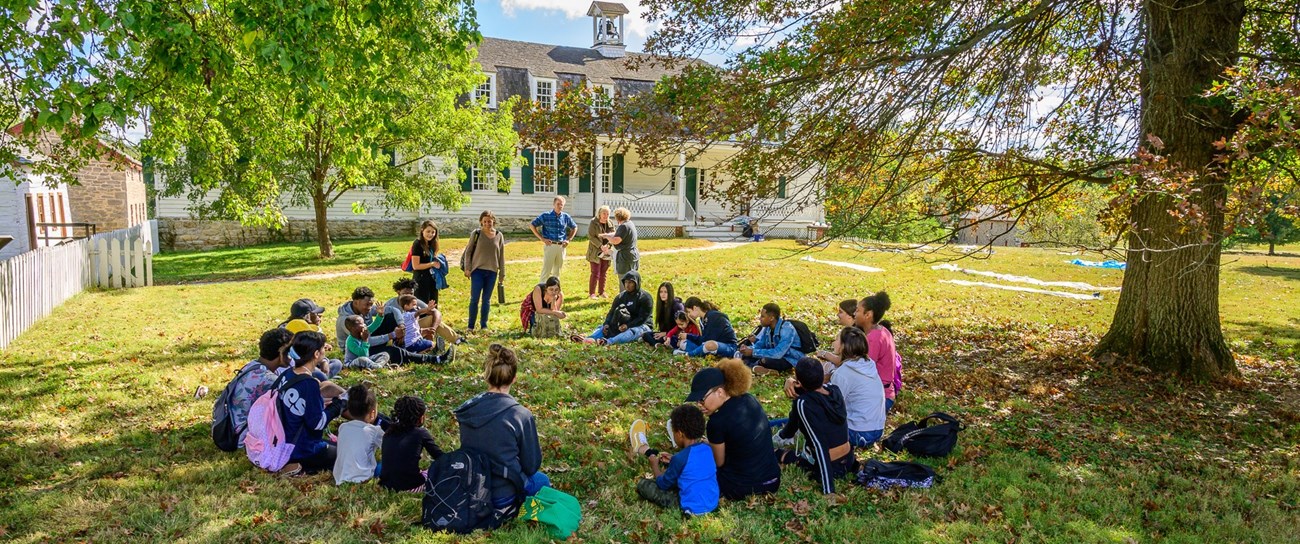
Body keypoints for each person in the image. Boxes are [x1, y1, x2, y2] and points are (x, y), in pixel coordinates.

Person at [454, 344, 549, 525]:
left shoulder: (468, 409)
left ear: (486, 376)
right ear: (514, 378)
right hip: (502, 494)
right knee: (541, 480)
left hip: (471, 489)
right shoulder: (520, 415)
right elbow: (531, 465)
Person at [684, 359, 781, 500]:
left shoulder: (716, 422)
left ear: (720, 392)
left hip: (741, 486)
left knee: (693, 471)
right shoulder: (749, 399)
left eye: (702, 399)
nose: (699, 404)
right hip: (772, 479)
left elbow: (719, 463)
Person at [773, 357, 855, 495]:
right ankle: (783, 436)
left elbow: (819, 445)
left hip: (830, 466)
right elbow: (812, 393)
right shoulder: (835, 391)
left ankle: (781, 440)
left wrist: (829, 490)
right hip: (848, 460)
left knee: (777, 454)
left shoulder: (803, 404)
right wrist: (790, 382)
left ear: (799, 382)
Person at [273, 331, 344, 476]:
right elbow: (317, 423)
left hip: (283, 441)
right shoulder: (309, 383)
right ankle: (297, 465)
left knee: (340, 446)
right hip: (302, 448)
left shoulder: (287, 374)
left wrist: (320, 405)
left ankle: (291, 462)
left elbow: (296, 408)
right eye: (323, 347)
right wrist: (339, 405)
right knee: (347, 454)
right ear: (317, 354)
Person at [628, 404, 719, 516]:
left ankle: (644, 449)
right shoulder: (708, 449)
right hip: (712, 503)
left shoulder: (680, 458)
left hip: (693, 509)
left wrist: (654, 466)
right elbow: (694, 466)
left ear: (680, 434)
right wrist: (673, 460)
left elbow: (662, 484)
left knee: (644, 485)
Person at [219, 328, 292, 448]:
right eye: (291, 350)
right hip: (242, 438)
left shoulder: (253, 365)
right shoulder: (267, 379)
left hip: (231, 428)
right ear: (281, 351)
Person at [337, 286, 440, 365]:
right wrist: (391, 335)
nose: (369, 308)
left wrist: (401, 325)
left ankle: (409, 347)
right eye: (367, 305)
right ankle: (433, 359)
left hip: (368, 338)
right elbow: (366, 341)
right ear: (356, 302)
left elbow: (393, 310)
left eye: (371, 304)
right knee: (393, 351)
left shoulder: (363, 309)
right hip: (359, 350)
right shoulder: (346, 320)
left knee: (390, 317)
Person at [379, 396, 446, 492]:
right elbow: (440, 457)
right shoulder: (421, 433)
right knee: (436, 470)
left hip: (386, 484)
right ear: (420, 417)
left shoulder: (389, 431)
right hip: (410, 486)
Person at [579, 271, 653, 345]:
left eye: (630, 282)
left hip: (642, 325)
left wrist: (628, 326)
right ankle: (590, 339)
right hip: (623, 323)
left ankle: (608, 342)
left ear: (636, 283)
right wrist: (606, 324)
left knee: (631, 332)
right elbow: (611, 313)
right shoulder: (620, 297)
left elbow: (642, 318)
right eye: (626, 282)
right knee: (604, 327)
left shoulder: (645, 298)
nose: (627, 285)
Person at [386, 278, 462, 347]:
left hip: (413, 328)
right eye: (405, 294)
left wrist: (433, 329)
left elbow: (436, 313)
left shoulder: (414, 301)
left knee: (432, 318)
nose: (408, 296)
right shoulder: (390, 304)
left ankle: (457, 340)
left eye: (411, 294)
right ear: (398, 292)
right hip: (397, 333)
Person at [463, 210, 506, 331]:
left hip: (492, 272)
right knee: (474, 299)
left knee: (486, 300)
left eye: (490, 221)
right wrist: (468, 268)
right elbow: (468, 251)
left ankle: (484, 325)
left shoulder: (499, 235)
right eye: (485, 221)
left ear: (494, 222)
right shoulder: (476, 234)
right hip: (477, 271)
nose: (487, 224)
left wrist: (502, 272)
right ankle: (470, 326)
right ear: (481, 222)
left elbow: (501, 255)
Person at [334, 384, 385, 485]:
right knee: (386, 465)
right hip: (362, 477)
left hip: (339, 476)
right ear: (373, 413)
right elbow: (389, 446)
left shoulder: (343, 427)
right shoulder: (374, 431)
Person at [281, 298, 342, 379]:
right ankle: (323, 378)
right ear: (307, 316)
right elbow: (305, 355)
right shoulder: (293, 329)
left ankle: (323, 376)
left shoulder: (307, 326)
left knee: (337, 363)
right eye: (315, 314)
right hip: (297, 365)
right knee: (319, 373)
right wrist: (323, 361)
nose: (318, 316)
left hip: (311, 361)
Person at [739, 303, 804, 375]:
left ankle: (752, 367)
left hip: (788, 359)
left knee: (765, 361)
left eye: (763, 316)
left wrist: (753, 352)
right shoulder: (767, 328)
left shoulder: (787, 329)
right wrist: (747, 349)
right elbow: (760, 345)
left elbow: (778, 354)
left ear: (771, 318)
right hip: (773, 356)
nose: (760, 319)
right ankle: (758, 368)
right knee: (746, 356)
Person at [859, 292, 899, 412]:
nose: (854, 314)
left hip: (880, 396)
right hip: (883, 392)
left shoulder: (874, 338)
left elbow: (864, 369)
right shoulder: (882, 331)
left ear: (868, 315)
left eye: (857, 311)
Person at [530, 196, 578, 282]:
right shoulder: (546, 216)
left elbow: (574, 227)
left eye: (561, 205)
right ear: (553, 204)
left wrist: (568, 239)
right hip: (550, 245)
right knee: (546, 270)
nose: (560, 206)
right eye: (558, 204)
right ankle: (542, 289)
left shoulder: (565, 217)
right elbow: (532, 225)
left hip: (561, 247)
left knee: (557, 272)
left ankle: (555, 291)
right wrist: (542, 238)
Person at [409, 220, 447, 304]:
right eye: (428, 231)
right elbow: (416, 266)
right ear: (422, 230)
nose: (431, 234)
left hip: (432, 278)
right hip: (421, 280)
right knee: (422, 305)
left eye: (433, 232)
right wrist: (432, 264)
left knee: (433, 304)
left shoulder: (432, 243)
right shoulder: (417, 244)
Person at [815, 300, 861, 365]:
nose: (837, 314)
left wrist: (824, 354)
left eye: (840, 312)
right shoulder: (851, 331)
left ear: (850, 316)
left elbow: (842, 361)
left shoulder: (852, 335)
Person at [599, 207, 639, 276]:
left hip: (625, 259)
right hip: (632, 256)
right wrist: (606, 235)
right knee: (632, 280)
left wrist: (607, 237)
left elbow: (615, 240)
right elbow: (617, 234)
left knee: (624, 281)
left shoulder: (623, 226)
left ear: (617, 217)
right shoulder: (630, 223)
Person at [585, 205, 614, 299]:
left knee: (603, 272)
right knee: (595, 272)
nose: (606, 215)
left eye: (607, 214)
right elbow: (591, 236)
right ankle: (592, 293)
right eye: (604, 213)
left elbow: (613, 235)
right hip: (595, 251)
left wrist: (608, 246)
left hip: (606, 251)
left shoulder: (610, 223)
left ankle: (601, 292)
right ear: (599, 213)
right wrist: (600, 246)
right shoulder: (594, 222)